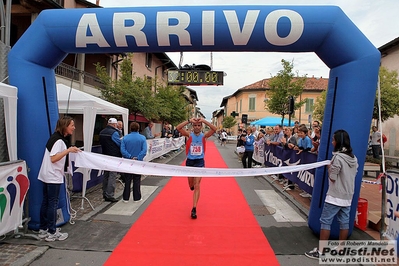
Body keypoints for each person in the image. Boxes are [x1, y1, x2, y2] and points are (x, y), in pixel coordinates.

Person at [305, 129, 358, 260]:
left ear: (338, 142)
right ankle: (341, 248)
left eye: (334, 140)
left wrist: (329, 166)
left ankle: (321, 251)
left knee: (325, 221)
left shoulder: (338, 157)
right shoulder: (354, 158)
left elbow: (333, 177)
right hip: (347, 195)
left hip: (335, 195)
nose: (332, 142)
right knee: (344, 222)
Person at [37, 116, 81, 241]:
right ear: (65, 126)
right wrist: (68, 151)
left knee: (46, 202)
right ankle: (51, 232)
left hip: (47, 174)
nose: (74, 128)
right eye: (72, 125)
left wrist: (70, 150)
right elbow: (54, 158)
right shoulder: (59, 141)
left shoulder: (55, 137)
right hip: (52, 175)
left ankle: (43, 229)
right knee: (52, 203)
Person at [176, 117, 217, 219]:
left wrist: (203, 120)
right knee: (191, 184)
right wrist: (189, 120)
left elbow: (214, 129)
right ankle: (192, 185)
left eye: (199, 125)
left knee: (197, 184)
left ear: (201, 127)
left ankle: (194, 208)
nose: (197, 127)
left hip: (199, 162)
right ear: (193, 127)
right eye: (195, 125)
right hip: (190, 161)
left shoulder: (204, 136)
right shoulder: (189, 135)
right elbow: (178, 128)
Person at [120, 122, 147, 202]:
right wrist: (138, 157)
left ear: (130, 128)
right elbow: (144, 150)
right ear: (138, 128)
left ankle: (125, 197)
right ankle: (137, 197)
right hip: (138, 162)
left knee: (127, 179)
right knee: (137, 179)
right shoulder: (142, 138)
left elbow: (122, 150)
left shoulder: (125, 138)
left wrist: (129, 156)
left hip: (128, 161)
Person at [99, 118, 122, 202]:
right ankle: (110, 194)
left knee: (106, 175)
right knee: (112, 175)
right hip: (113, 156)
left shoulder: (102, 132)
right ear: (115, 124)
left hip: (105, 155)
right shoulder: (114, 133)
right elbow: (119, 143)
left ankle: (105, 193)